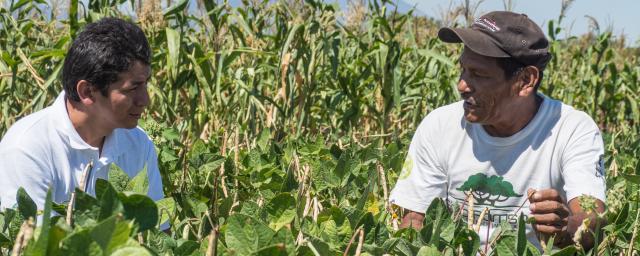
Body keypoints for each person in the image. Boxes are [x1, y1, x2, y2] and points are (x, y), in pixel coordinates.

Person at [389, 11, 605, 250]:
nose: (461, 86)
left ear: (525, 80)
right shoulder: (439, 126)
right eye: (463, 70)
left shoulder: (572, 129)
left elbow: (592, 217)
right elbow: (412, 221)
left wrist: (566, 230)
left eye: (479, 75)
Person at [0, 18, 166, 229]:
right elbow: (33, 246)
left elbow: (157, 232)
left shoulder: (139, 143)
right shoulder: (27, 149)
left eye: (145, 84)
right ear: (87, 91)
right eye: (133, 88)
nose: (145, 100)